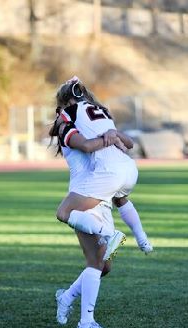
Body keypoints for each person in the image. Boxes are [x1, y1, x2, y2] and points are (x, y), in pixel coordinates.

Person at [56, 76, 153, 255]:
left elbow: (60, 126)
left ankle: (108, 234)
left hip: (108, 172)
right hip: (130, 169)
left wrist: (61, 119)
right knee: (120, 199)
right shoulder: (103, 110)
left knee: (64, 213)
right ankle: (143, 239)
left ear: (67, 100)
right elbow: (130, 144)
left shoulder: (71, 110)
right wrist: (113, 135)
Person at [50, 109, 126, 328]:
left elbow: (122, 144)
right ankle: (87, 322)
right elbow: (86, 146)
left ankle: (66, 297)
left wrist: (113, 133)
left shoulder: (88, 126)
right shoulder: (67, 128)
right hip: (82, 196)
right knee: (95, 262)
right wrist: (110, 136)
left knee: (105, 267)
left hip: (101, 197)